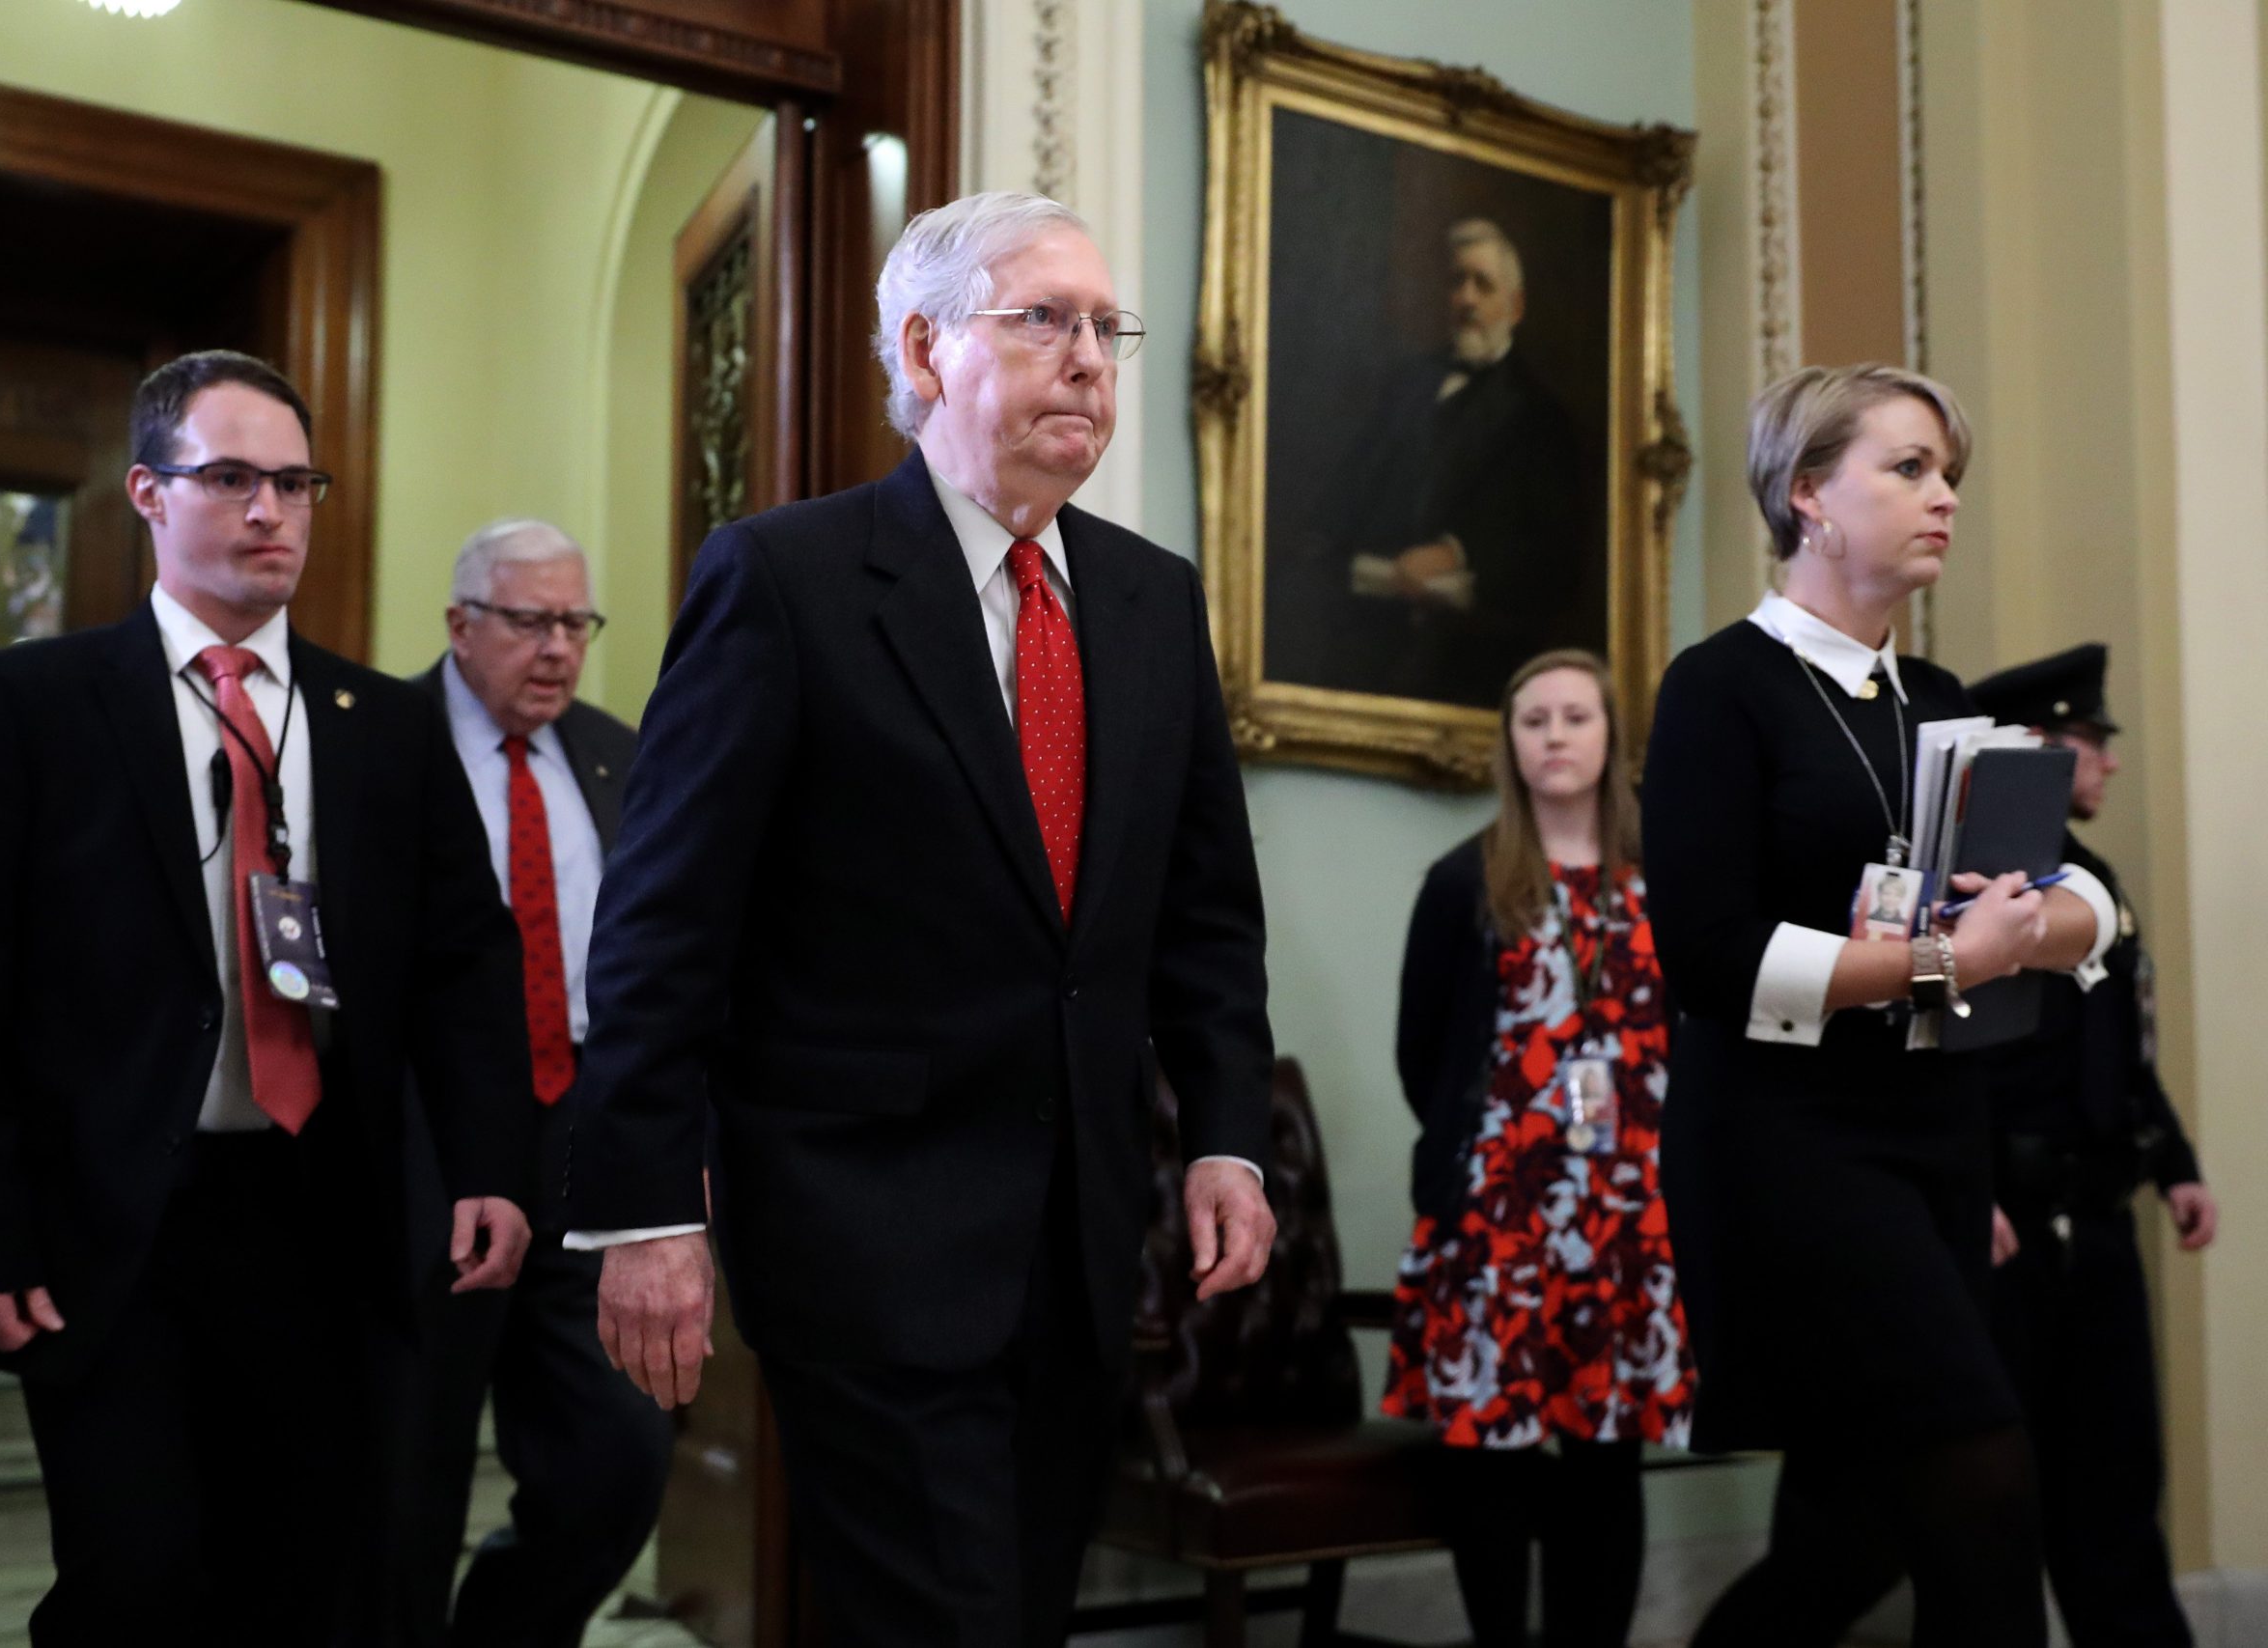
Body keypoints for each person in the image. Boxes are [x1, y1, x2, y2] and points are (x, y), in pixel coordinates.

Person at [563, 190, 1278, 1647]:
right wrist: (644, 1207)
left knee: (1011, 1610)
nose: (1089, 357)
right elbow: (663, 917)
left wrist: (1223, 1130)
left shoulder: (1151, 601)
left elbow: (1204, 915)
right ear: (926, 346)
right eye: (1045, 319)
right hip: (862, 1231)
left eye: (1105, 328)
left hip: (1080, 1239)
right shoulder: (787, 578)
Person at [0, 349, 535, 1646]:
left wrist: (489, 1163)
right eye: (232, 478)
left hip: (327, 1216)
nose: (270, 512)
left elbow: (469, 962)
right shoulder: (28, 705)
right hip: (115, 1221)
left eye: (296, 482)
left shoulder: (383, 723)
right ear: (146, 491)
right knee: (135, 1579)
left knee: (313, 1581)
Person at [1638, 362, 2120, 1647]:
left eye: (1949, 471)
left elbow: (2085, 906)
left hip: (1932, 1140)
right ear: (1809, 494)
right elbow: (1708, 956)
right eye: (1909, 467)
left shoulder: (1945, 702)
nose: (1944, 495)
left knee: (1855, 1524)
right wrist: (1947, 961)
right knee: (1981, 1476)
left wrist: (2032, 925)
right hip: (1786, 1147)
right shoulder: (1718, 686)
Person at [1386, 649, 1694, 1648]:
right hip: (1499, 1215)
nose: (1553, 737)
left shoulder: (1669, 883)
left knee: (1608, 1454)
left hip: (1629, 1219)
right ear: (1509, 746)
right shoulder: (1463, 882)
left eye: (1573, 718)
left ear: (1612, 738)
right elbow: (1420, 1051)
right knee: (1492, 1453)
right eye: (1532, 721)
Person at [401, 518, 672, 1647]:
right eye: (529, 621)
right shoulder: (380, 741)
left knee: (618, 1459)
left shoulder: (616, 752)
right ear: (462, 626)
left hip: (582, 1157)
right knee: (403, 1481)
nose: (557, 647)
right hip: (425, 1155)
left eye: (576, 622)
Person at [1970, 642, 2213, 1647]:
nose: (2108, 764)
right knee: (1984, 1511)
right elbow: (1956, 1061)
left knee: (2114, 1489)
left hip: (2096, 1222)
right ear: (2033, 750)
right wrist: (1962, 1187)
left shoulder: (2091, 878)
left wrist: (2173, 1162)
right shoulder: (1982, 878)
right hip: (2008, 1234)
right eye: (2089, 744)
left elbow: (2120, 1046)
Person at [1272, 217, 1591, 707]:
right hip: (1369, 632)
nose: (1466, 299)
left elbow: (1552, 556)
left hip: (1471, 656)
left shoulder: (1539, 417)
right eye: (1457, 282)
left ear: (1515, 305)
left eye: (1482, 285)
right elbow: (1347, 496)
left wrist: (1457, 553)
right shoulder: (1407, 386)